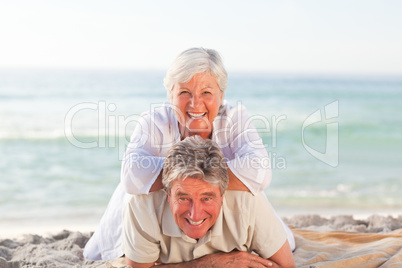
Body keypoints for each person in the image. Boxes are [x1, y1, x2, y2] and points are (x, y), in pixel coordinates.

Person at [83, 47, 295, 260]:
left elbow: (261, 171)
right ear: (170, 95)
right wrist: (190, 176)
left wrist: (198, 179)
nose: (195, 104)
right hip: (161, 215)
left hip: (208, 210)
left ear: (221, 96)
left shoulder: (234, 116)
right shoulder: (154, 121)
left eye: (206, 93)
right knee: (132, 205)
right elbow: (131, 177)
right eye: (184, 93)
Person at [122, 136, 295, 267]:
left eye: (207, 198)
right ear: (167, 193)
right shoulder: (141, 206)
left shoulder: (249, 202)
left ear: (222, 194)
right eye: (183, 198)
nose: (194, 214)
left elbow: (286, 266)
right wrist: (208, 263)